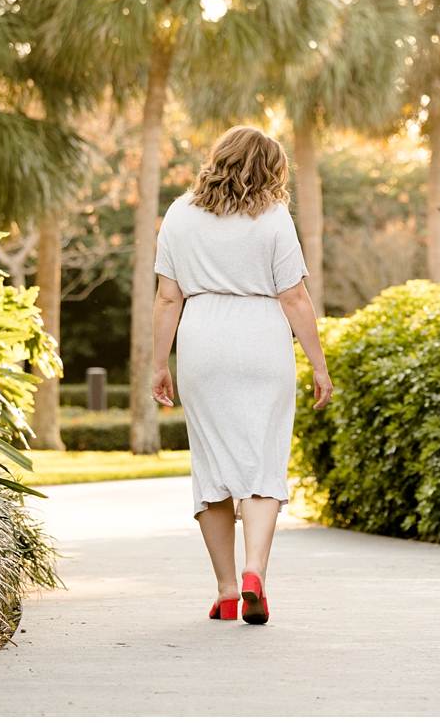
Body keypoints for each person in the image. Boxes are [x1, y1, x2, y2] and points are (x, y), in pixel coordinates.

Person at [151, 126, 334, 625]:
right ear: (270, 169)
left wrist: (158, 363)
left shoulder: (178, 214)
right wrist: (318, 365)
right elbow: (294, 297)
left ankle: (228, 590)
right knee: (261, 461)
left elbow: (168, 297)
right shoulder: (274, 217)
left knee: (211, 466)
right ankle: (256, 571)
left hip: (202, 339)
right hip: (262, 339)